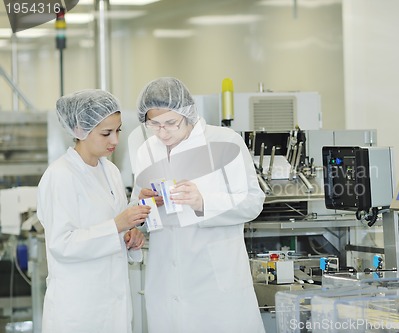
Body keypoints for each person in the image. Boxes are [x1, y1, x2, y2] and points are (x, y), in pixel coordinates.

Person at [129, 77, 265, 333]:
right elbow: (138, 210)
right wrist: (145, 205)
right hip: (164, 280)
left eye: (171, 123)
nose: (162, 132)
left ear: (187, 113)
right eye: (154, 124)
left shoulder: (224, 143)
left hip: (215, 284)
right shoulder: (146, 151)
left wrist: (204, 202)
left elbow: (253, 202)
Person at [37, 89, 151, 333]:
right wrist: (118, 226)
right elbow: (62, 244)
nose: (115, 140)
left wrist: (131, 234)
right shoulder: (60, 176)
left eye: (118, 130)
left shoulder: (109, 171)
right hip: (79, 310)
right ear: (80, 130)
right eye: (106, 133)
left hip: (113, 306)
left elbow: (115, 225)